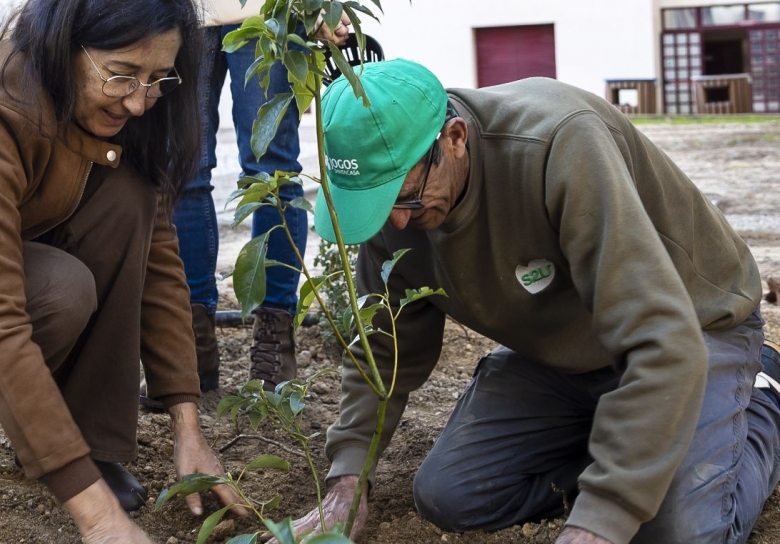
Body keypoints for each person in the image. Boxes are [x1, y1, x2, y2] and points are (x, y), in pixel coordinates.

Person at [280, 59, 780, 544]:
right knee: (452, 496)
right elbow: (386, 348)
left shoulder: (561, 145)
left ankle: (760, 404)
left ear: (454, 139)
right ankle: (630, 438)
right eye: (378, 205)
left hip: (690, 327)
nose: (398, 223)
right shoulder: (395, 202)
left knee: (676, 531)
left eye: (406, 198)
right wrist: (347, 480)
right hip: (564, 349)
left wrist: (599, 521)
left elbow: (659, 337)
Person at [0, 0, 244, 541]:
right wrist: (99, 518)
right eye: (121, 74)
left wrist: (187, 424)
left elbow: (157, 260)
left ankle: (89, 441)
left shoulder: (110, 108)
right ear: (65, 47)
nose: (138, 101)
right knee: (57, 289)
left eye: (158, 79)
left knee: (126, 201)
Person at [138, 2, 351, 399]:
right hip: (185, 9)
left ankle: (275, 336)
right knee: (181, 170)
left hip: (268, 7)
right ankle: (191, 344)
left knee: (272, 171)